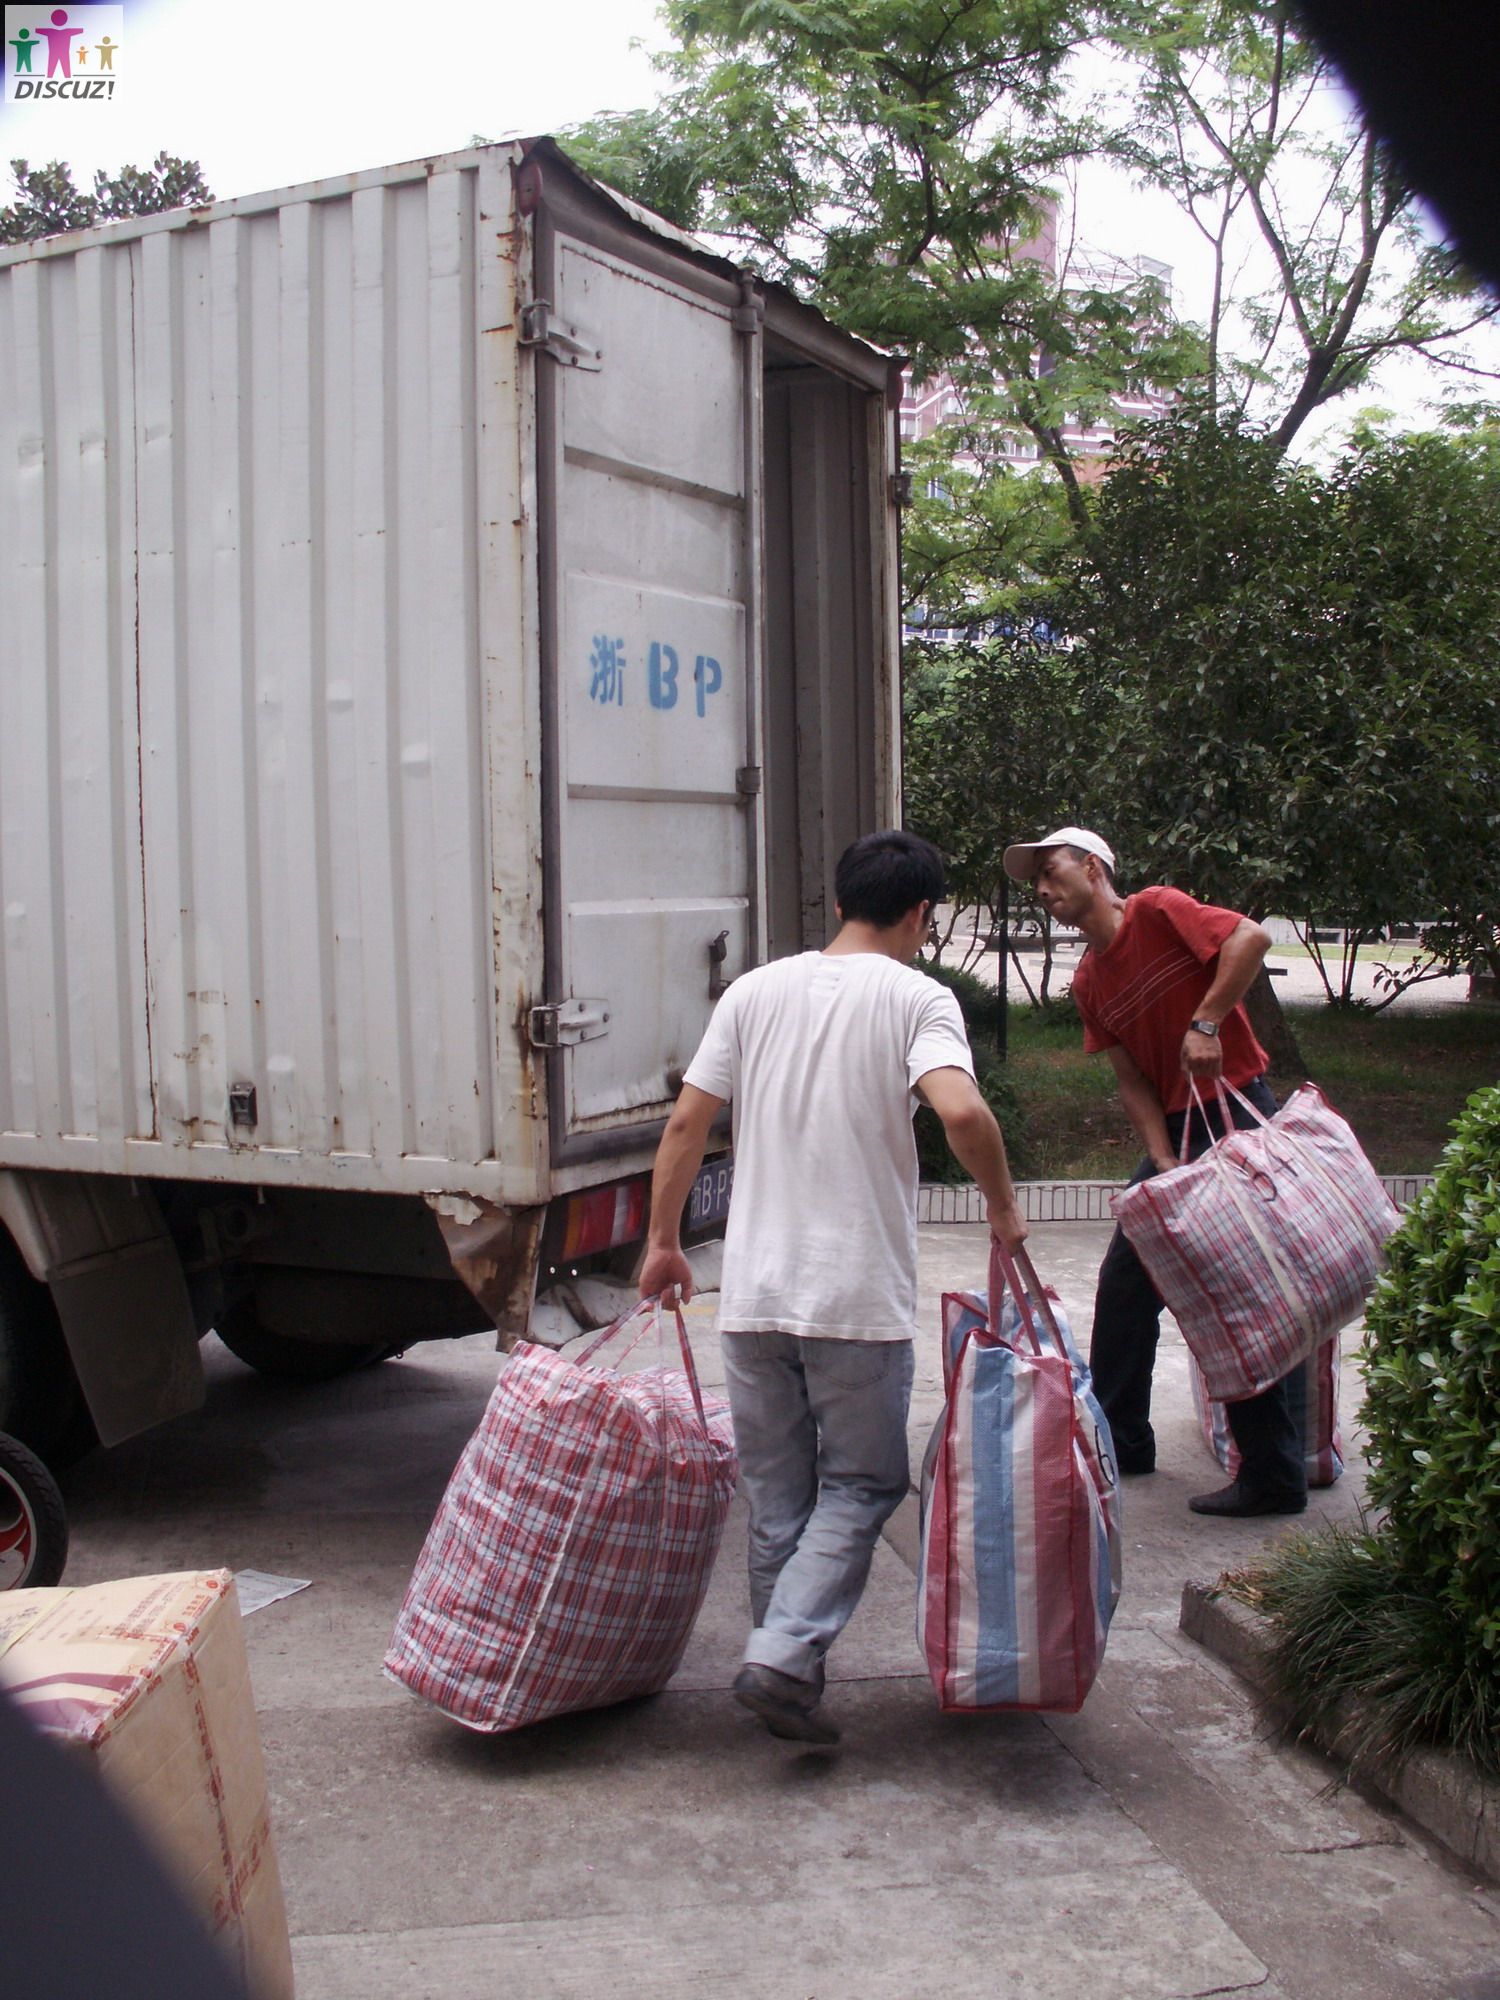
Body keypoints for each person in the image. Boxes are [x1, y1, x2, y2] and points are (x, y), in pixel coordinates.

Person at [639, 830, 1027, 1744]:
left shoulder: (753, 991)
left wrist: (662, 1242)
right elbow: (962, 1109)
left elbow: (688, 1124)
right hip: (853, 1301)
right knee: (862, 1484)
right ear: (922, 913)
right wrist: (1003, 1209)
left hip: (754, 1296)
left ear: (843, 900)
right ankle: (782, 1656)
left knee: (779, 1502)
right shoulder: (918, 998)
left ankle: (789, 1679)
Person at [1002, 826, 1307, 1520]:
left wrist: (1208, 1021)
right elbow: (1132, 1079)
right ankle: (1123, 1441)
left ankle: (1274, 1475)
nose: (1043, 891)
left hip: (1234, 1111)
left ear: (1092, 867)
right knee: (1126, 1283)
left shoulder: (1159, 910)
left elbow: (1251, 938)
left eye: (1051, 873)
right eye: (1036, 883)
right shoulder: (1089, 981)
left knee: (1238, 1290)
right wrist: (1161, 1159)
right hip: (1176, 1130)